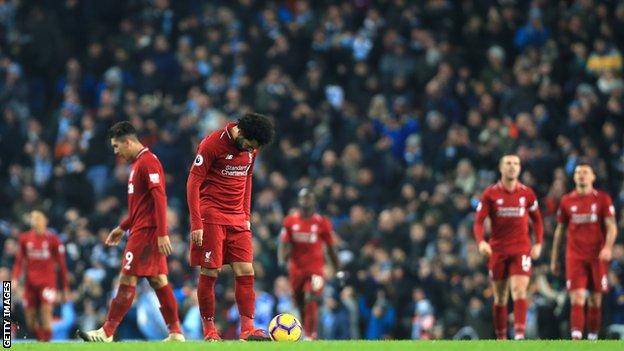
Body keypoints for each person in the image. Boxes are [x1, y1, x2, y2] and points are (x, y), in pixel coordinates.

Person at [77, 122, 184, 342]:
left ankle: (106, 332)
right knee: (158, 281)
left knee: (127, 277)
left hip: (147, 233)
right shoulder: (137, 164)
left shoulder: (148, 162)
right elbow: (140, 207)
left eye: (117, 146)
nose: (116, 152)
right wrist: (121, 227)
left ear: (128, 142)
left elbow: (159, 198)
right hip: (140, 229)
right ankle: (175, 333)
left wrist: (163, 233)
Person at [186, 113, 275, 341]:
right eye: (248, 144)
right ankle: (209, 331)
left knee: (247, 271)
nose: (249, 150)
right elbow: (193, 182)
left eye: (253, 148)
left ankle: (247, 329)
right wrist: (196, 223)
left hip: (237, 218)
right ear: (241, 132)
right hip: (212, 215)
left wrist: (246, 214)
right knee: (210, 271)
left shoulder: (250, 149)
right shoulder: (212, 143)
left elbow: (248, 179)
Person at [473, 154, 544, 340]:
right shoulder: (490, 194)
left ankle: (519, 336)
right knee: (500, 297)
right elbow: (478, 222)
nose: (512, 167)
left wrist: (538, 244)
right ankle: (501, 337)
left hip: (521, 249)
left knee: (520, 290)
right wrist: (481, 241)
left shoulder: (527, 193)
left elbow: (537, 220)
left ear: (520, 168)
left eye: (515, 164)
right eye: (508, 163)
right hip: (498, 250)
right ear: (500, 167)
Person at [550, 163, 618, 340]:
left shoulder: (602, 199)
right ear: (574, 178)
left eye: (586, 172)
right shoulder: (566, 201)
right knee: (577, 297)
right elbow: (560, 231)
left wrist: (608, 247)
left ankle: (593, 338)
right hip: (575, 256)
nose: (582, 175)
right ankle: (576, 338)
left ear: (593, 177)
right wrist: (554, 257)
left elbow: (612, 227)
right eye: (578, 172)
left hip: (597, 256)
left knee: (595, 299)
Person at [278, 188, 341, 339]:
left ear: (313, 201)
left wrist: (337, 268)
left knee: (311, 298)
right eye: (303, 198)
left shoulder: (322, 222)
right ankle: (306, 330)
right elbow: (284, 244)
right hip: (296, 270)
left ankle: (311, 335)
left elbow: (331, 247)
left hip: (316, 270)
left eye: (309, 198)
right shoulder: (290, 221)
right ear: (299, 201)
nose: (306, 201)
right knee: (300, 302)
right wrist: (282, 259)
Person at [12, 210, 69, 342]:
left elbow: (62, 267)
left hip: (48, 282)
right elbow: (19, 261)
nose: (35, 221)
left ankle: (46, 344)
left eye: (38, 218)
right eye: (32, 218)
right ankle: (41, 340)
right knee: (30, 322)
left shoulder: (53, 240)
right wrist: (15, 279)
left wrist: (65, 288)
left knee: (45, 312)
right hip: (30, 284)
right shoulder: (24, 239)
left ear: (45, 221)